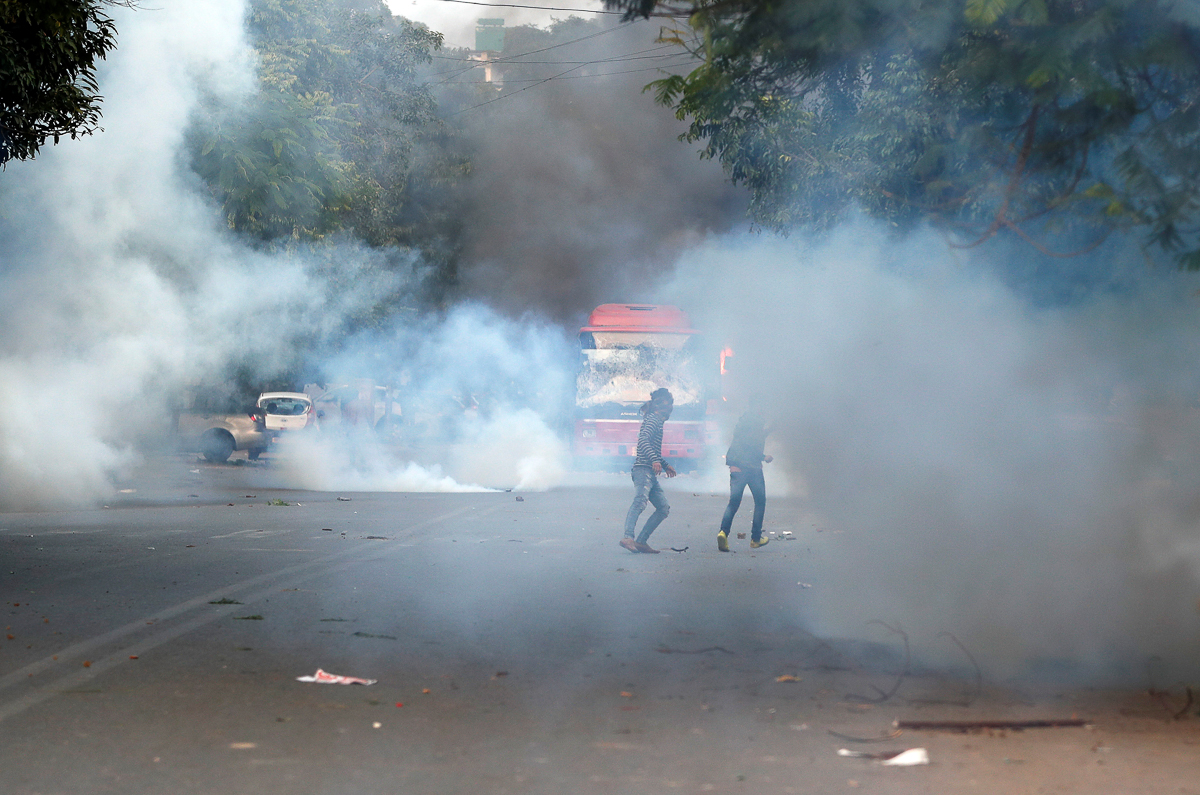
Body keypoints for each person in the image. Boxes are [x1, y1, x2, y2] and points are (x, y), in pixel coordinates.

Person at [621, 387, 677, 553]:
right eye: (668, 405)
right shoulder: (653, 420)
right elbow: (643, 441)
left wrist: (665, 465)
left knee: (663, 508)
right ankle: (628, 537)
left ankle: (641, 542)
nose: (670, 410)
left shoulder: (657, 421)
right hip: (643, 470)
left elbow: (652, 447)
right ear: (661, 406)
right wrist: (654, 460)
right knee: (640, 501)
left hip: (650, 473)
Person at [717, 395, 773, 551]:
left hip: (737, 468)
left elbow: (745, 441)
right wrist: (763, 457)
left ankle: (723, 533)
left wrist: (770, 429)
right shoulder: (755, 421)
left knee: (733, 503)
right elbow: (749, 445)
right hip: (752, 468)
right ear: (758, 406)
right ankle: (755, 538)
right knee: (760, 502)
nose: (766, 410)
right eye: (764, 406)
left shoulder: (744, 420)